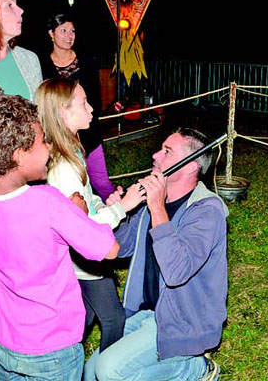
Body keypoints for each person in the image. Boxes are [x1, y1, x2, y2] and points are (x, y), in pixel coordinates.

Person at [0, 94, 120, 380]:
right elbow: (108, 249)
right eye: (42, 141)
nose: (49, 148)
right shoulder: (48, 203)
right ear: (19, 155)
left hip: (4, 336)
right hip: (51, 345)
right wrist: (78, 212)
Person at [84, 128, 228, 381]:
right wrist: (118, 213)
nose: (155, 155)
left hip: (181, 323)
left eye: (167, 151)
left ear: (190, 166)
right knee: (90, 372)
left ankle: (195, 369)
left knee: (108, 371)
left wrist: (157, 207)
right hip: (143, 313)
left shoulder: (207, 211)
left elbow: (176, 271)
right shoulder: (151, 203)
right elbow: (121, 248)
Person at [36, 77, 145, 352]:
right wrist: (123, 208)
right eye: (83, 103)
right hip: (81, 257)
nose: (92, 108)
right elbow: (78, 228)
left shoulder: (71, 149)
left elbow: (85, 198)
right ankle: (106, 369)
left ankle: (59, 352)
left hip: (78, 259)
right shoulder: (62, 167)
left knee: (84, 315)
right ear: (63, 112)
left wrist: (103, 204)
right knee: (113, 317)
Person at [41, 14, 114, 200]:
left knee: (102, 182)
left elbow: (95, 101)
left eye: (72, 31)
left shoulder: (87, 61)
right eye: (63, 31)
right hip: (60, 136)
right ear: (51, 33)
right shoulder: (42, 65)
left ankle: (121, 214)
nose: (69, 36)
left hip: (89, 132)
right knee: (69, 187)